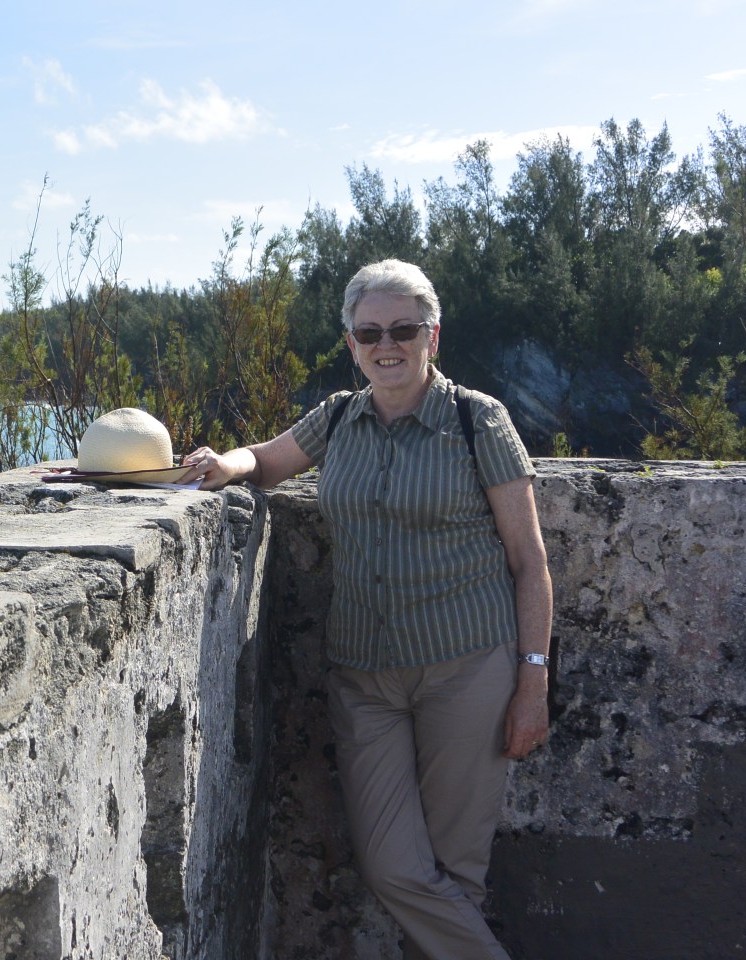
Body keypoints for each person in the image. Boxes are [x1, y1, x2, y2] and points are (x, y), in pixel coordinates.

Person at [182, 259, 551, 960]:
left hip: (468, 667)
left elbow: (529, 560)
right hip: (365, 677)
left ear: (432, 337)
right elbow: (266, 461)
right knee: (392, 867)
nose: (388, 345)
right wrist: (223, 465)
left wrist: (532, 680)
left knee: (454, 871)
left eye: (403, 330)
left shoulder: (478, 420)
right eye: (370, 332)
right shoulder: (338, 418)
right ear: (352, 343)